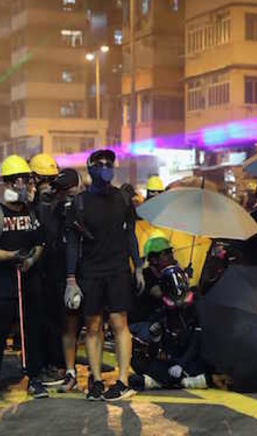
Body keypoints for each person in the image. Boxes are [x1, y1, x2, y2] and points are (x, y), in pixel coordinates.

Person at [65, 149, 143, 401]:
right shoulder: (80, 202)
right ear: (90, 169)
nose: (105, 167)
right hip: (90, 271)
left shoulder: (122, 199)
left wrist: (138, 266)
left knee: (120, 323)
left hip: (118, 269)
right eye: (99, 163)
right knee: (93, 326)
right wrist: (70, 278)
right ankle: (96, 380)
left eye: (109, 163)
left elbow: (130, 234)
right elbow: (72, 244)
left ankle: (122, 380)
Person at [0, 155, 46, 404]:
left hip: (28, 280)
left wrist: (31, 260)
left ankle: (34, 379)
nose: (25, 186)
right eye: (20, 180)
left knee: (31, 332)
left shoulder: (31, 212)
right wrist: (11, 256)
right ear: (7, 183)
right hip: (3, 283)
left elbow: (39, 242)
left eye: (26, 180)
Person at [129, 265, 207, 391]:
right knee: (138, 363)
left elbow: (197, 343)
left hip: (192, 359)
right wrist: (155, 339)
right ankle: (178, 381)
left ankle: (162, 382)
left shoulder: (197, 308)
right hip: (173, 361)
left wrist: (181, 364)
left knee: (203, 363)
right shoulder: (163, 314)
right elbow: (154, 353)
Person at [28, 153, 64, 387]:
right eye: (45, 180)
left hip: (56, 270)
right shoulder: (29, 205)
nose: (49, 186)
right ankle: (40, 365)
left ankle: (56, 364)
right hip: (36, 270)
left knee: (55, 320)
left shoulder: (61, 205)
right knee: (38, 320)